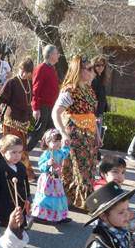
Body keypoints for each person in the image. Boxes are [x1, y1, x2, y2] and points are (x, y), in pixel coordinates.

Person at [52, 55, 100, 210]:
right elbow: (55, 113)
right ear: (79, 70)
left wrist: (98, 134)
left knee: (87, 168)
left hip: (90, 135)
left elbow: (92, 115)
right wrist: (63, 134)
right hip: (75, 135)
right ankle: (83, 202)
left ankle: (72, 199)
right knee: (80, 169)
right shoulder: (69, 91)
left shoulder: (89, 89)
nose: (93, 72)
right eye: (89, 69)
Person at [0, 57, 35, 181]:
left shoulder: (30, 83)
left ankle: (19, 172)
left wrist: (31, 116)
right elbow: (0, 97)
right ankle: (22, 172)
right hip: (11, 121)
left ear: (30, 72)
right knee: (13, 147)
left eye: (26, 72)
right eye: (21, 70)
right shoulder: (12, 82)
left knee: (21, 148)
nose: (23, 73)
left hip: (24, 121)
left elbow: (29, 102)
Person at [0, 134, 31, 228]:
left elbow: (25, 184)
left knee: (19, 226)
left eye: (19, 152)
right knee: (7, 228)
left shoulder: (21, 167)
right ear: (3, 152)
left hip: (19, 204)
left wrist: (28, 197)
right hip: (4, 205)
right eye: (13, 152)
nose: (17, 155)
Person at [31, 129, 71, 225]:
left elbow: (65, 153)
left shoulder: (59, 152)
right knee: (46, 197)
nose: (57, 144)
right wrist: (48, 163)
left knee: (59, 197)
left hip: (56, 178)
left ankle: (59, 216)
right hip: (47, 179)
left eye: (58, 141)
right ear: (47, 142)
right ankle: (39, 215)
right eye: (54, 141)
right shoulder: (47, 154)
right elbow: (41, 166)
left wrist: (66, 145)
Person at [27, 45, 60, 152]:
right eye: (56, 53)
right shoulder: (41, 68)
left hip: (51, 107)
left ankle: (50, 159)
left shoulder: (52, 68)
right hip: (42, 106)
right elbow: (35, 89)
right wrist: (35, 108)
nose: (58, 55)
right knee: (38, 133)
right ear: (50, 55)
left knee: (52, 134)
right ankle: (23, 154)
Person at [91, 56, 110, 135]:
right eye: (98, 65)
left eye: (102, 65)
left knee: (98, 135)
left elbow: (102, 96)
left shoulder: (101, 78)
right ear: (93, 66)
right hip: (95, 112)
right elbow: (93, 97)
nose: (100, 67)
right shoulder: (93, 79)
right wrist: (96, 114)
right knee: (95, 135)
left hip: (100, 111)